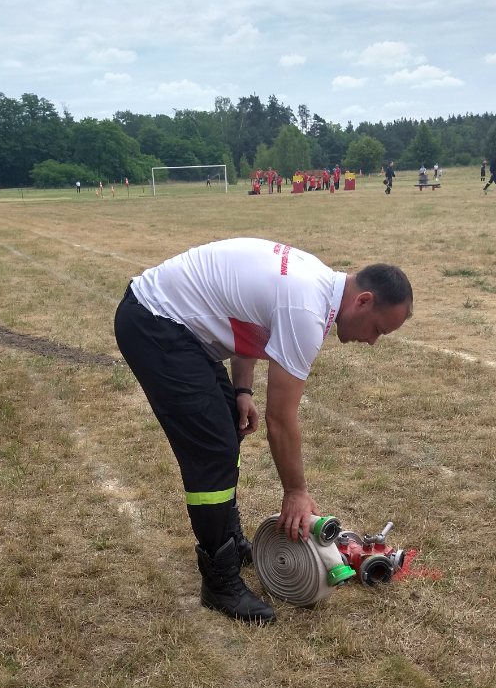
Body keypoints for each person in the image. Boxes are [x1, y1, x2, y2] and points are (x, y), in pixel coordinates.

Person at [113, 238, 413, 624]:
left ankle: (229, 540)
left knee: (226, 428)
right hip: (155, 324)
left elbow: (250, 320)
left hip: (172, 326)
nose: (371, 341)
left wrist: (241, 390)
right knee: (213, 450)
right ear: (364, 300)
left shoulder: (316, 284)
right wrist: (296, 492)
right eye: (377, 330)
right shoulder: (307, 306)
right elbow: (281, 419)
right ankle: (219, 580)